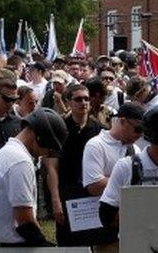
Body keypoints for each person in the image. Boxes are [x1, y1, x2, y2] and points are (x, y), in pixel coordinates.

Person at [0, 108, 68, 247]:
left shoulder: (9, 151)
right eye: (49, 148)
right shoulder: (20, 161)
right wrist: (43, 246)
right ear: (38, 137)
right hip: (13, 247)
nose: (47, 153)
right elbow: (24, 220)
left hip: (3, 244)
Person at [80, 101, 145, 253]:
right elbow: (94, 186)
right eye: (138, 129)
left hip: (132, 224)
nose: (140, 135)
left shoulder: (134, 149)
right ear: (122, 121)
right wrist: (128, 181)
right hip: (105, 226)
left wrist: (109, 180)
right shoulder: (96, 145)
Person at [51, 83, 103, 247]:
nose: (84, 103)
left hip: (93, 194)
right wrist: (55, 200)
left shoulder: (100, 130)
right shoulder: (59, 129)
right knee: (69, 242)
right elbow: (52, 167)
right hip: (67, 193)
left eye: (87, 99)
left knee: (95, 241)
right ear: (68, 102)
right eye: (78, 99)